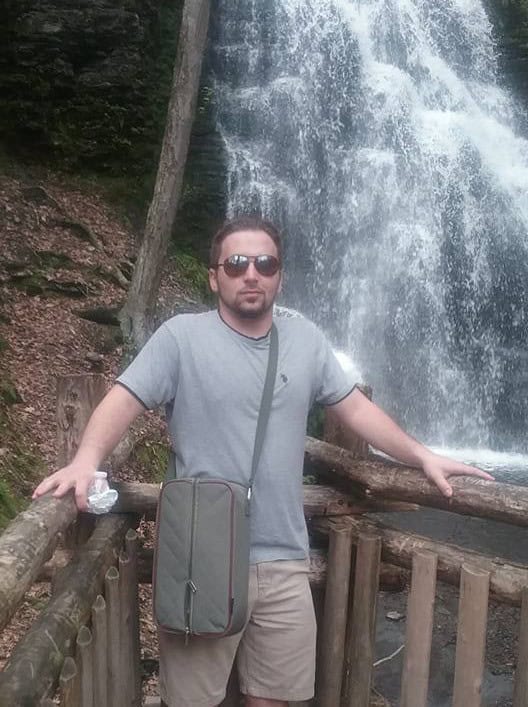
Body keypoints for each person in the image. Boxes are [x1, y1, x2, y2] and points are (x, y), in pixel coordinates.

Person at [33, 215, 494, 707]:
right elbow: (124, 399)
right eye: (235, 263)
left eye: (264, 263)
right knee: (192, 701)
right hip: (201, 557)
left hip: (284, 557)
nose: (250, 273)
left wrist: (422, 455)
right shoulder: (180, 338)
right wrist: (86, 459)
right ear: (215, 276)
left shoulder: (306, 342)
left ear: (279, 276)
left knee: (274, 698)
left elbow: (357, 409)